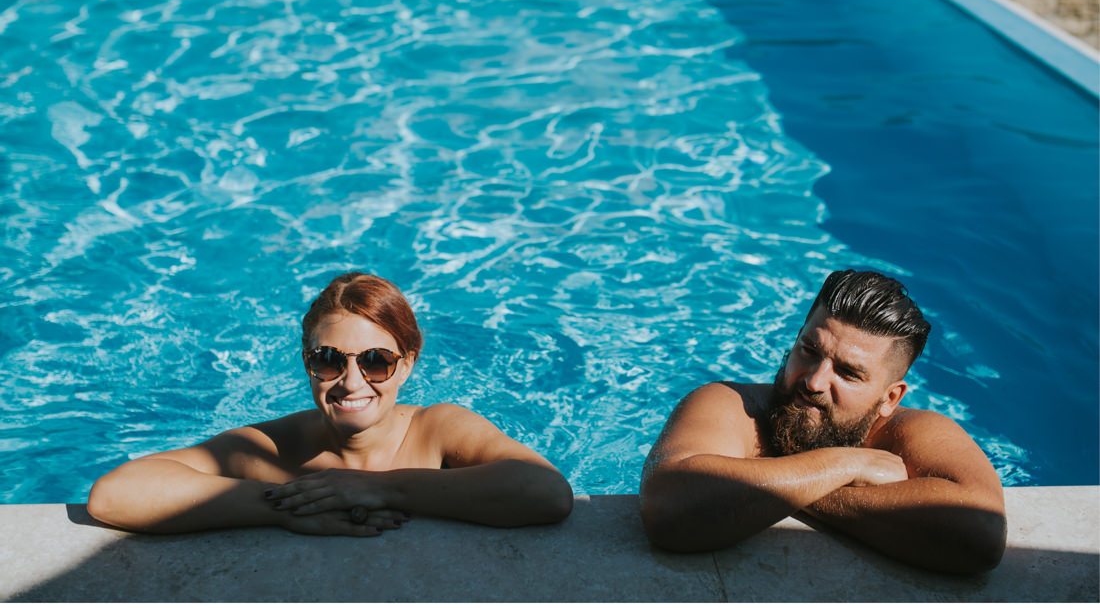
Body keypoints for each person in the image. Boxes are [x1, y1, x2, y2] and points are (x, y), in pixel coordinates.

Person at [88, 272, 573, 536]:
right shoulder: (273, 450)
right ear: (306, 362)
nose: (350, 381)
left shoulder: (438, 430)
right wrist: (283, 508)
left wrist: (379, 489)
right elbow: (114, 495)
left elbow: (546, 492)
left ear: (406, 364)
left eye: (376, 361)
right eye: (328, 359)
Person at [639, 269, 1006, 574]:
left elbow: (981, 533)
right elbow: (668, 506)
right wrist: (846, 463)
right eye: (809, 350)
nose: (814, 381)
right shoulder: (732, 405)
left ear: (890, 398)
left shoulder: (910, 434)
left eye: (847, 373)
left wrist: (762, 484)